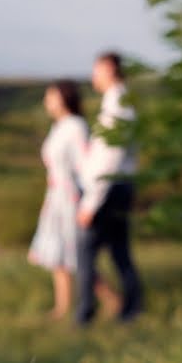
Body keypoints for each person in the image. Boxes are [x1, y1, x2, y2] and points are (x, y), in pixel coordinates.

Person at [28, 80, 119, 319]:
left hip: (70, 198)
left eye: (51, 96)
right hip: (56, 197)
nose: (47, 101)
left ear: (63, 98)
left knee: (76, 256)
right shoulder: (59, 126)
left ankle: (112, 300)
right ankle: (62, 308)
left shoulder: (76, 126)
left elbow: (84, 165)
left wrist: (87, 200)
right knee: (58, 256)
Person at [76, 52, 143, 325]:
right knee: (119, 251)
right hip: (116, 187)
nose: (94, 76)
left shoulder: (118, 107)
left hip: (109, 189)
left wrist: (90, 203)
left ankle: (86, 313)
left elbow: (110, 159)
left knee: (84, 251)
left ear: (109, 70)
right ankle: (131, 309)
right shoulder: (118, 103)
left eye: (97, 70)